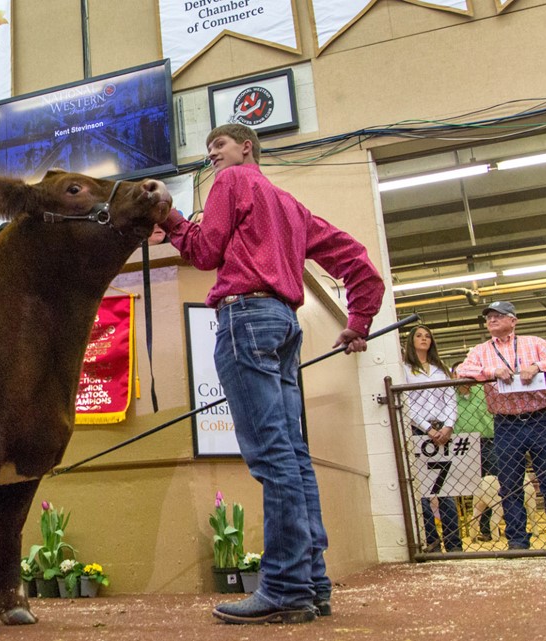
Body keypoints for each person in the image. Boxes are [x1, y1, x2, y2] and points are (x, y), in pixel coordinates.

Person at [159, 124, 384, 624]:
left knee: (274, 458)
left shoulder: (232, 182)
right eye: (209, 147)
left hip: (244, 319)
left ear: (246, 147)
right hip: (284, 323)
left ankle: (283, 588)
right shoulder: (292, 207)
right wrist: (358, 321)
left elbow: (205, 252)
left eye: (219, 145)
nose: (211, 154)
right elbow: (359, 265)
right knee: (294, 457)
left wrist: (172, 219)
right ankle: (312, 584)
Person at [456, 301, 546, 549]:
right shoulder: (480, 350)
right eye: (489, 318)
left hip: (540, 419)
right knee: (509, 485)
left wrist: (537, 366)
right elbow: (462, 371)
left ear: (513, 320)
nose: (492, 320)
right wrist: (492, 371)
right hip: (505, 423)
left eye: (498, 316)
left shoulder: (534, 343)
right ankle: (518, 541)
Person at [401, 326, 462, 553]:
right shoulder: (405, 370)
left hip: (444, 433)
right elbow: (407, 402)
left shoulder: (441, 370)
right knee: (424, 491)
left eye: (427, 335)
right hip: (419, 432)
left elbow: (450, 399)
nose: (424, 339)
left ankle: (455, 545)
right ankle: (432, 544)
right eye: (419, 335)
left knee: (446, 490)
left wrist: (447, 426)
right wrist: (427, 429)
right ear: (411, 341)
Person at [450, 360, 498, 542]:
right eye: (458, 372)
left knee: (493, 485)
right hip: (462, 445)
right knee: (466, 488)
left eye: (466, 371)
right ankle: (466, 528)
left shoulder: (483, 389)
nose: (462, 375)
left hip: (488, 441)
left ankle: (488, 528)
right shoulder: (449, 395)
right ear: (453, 376)